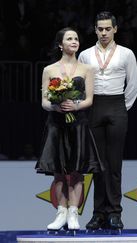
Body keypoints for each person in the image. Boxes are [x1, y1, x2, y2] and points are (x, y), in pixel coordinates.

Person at [78, 11, 137, 231]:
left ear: (115, 29)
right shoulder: (85, 55)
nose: (104, 33)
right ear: (95, 30)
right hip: (94, 107)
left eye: (107, 29)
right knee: (97, 165)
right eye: (100, 29)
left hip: (117, 107)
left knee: (114, 164)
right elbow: (81, 83)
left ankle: (114, 212)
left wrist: (122, 108)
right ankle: (98, 214)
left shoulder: (126, 54)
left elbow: (133, 85)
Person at [35, 27, 101, 231]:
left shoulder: (87, 69)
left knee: (77, 172)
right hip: (56, 125)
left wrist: (75, 106)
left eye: (76, 39)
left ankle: (73, 212)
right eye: (69, 39)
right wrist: (56, 106)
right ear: (60, 45)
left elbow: (90, 99)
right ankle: (61, 212)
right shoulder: (49, 70)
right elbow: (45, 102)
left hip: (78, 124)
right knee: (58, 172)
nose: (74, 41)